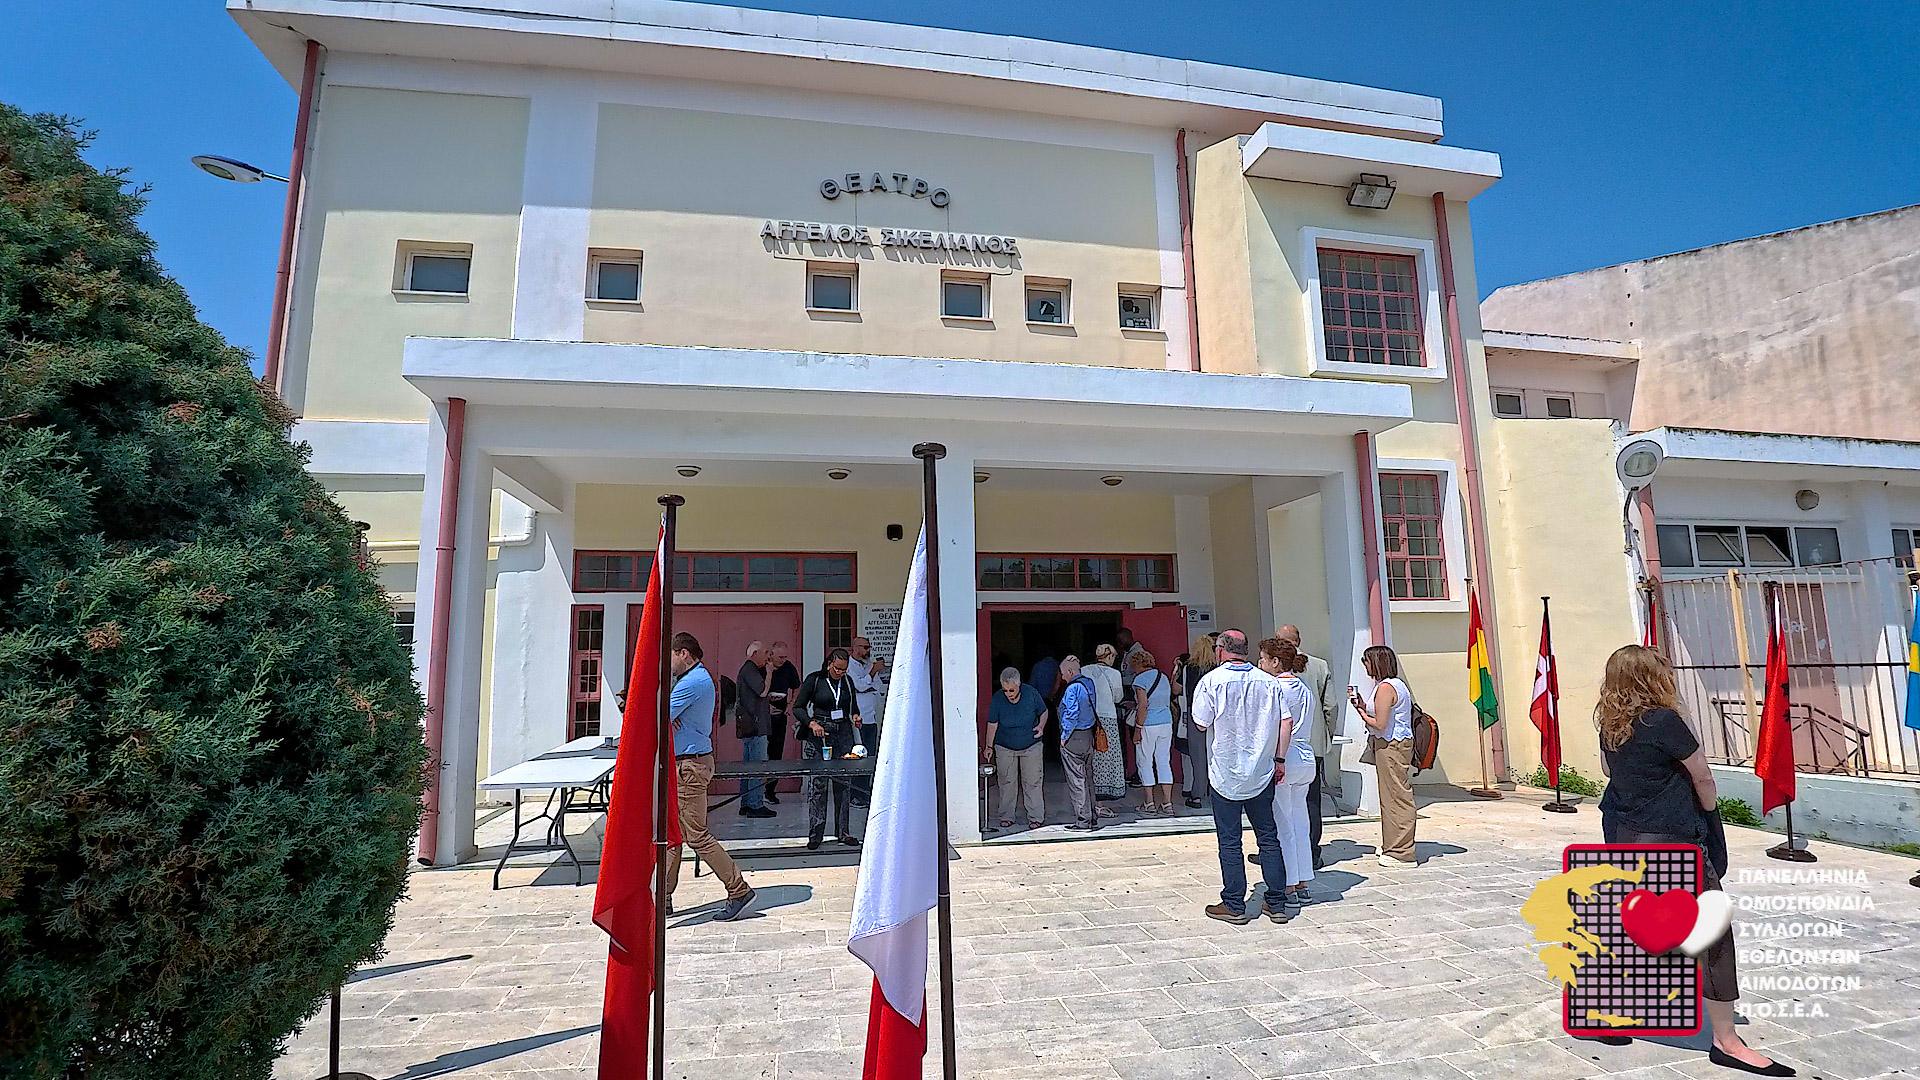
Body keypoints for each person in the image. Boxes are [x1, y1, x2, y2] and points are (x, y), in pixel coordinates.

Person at [1596, 646, 1791, 1076]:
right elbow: (1703, 776)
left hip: (1624, 835)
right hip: (1670, 838)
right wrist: (1710, 813)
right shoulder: (1664, 721)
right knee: (1712, 934)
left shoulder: (1611, 725)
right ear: (1654, 677)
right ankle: (1726, 1040)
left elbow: (1611, 774)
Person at [1189, 630, 1292, 924]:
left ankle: (1234, 904)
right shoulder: (1268, 682)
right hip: (1261, 770)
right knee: (1268, 838)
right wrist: (1280, 759)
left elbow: (1200, 722)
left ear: (1221, 650)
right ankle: (1277, 902)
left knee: (1230, 841)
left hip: (1225, 772)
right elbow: (1286, 721)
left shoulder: (1211, 681)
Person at [663, 632, 756, 920]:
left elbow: (655, 714)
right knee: (672, 834)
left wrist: (665, 713)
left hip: (689, 766)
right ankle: (662, 897)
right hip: (685, 764)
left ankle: (738, 889)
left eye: (671, 656)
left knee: (696, 836)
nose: (668, 663)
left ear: (683, 653)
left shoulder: (692, 682)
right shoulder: (692, 679)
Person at [1259, 637, 1318, 905]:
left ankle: (1289, 883)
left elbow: (1278, 724)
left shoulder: (1274, 687)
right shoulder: (1303, 687)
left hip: (1286, 754)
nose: (1260, 663)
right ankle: (1303, 880)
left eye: (1263, 659)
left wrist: (1277, 758)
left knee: (1283, 823)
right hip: (1305, 755)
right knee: (1300, 821)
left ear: (1275, 661)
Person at [1276, 624, 1340, 869]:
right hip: (1312, 742)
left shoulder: (1275, 667)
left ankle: (1282, 850)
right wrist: (1325, 734)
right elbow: (1331, 706)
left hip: (1282, 745)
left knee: (1282, 801)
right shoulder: (1319, 665)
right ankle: (1311, 851)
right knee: (1311, 800)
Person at [1348, 645, 1418, 868]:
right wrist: (1362, 704)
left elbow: (1380, 723)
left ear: (1377, 663)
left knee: (1396, 797)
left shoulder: (1386, 688)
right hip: (1392, 744)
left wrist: (1360, 711)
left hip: (1391, 745)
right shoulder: (1392, 685)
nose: (1365, 665)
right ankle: (1393, 844)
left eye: (1367, 661)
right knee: (1390, 797)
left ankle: (1402, 852)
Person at [796, 648, 862, 850]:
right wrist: (811, 723)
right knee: (819, 784)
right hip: (821, 733)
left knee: (843, 783)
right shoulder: (815, 680)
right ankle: (816, 834)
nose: (840, 673)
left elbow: (853, 707)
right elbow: (798, 707)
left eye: (844, 669)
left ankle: (843, 832)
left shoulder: (847, 682)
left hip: (843, 733)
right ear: (829, 664)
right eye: (837, 669)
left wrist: (856, 717)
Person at [984, 667, 1048, 830]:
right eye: (1005, 690)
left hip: (1031, 745)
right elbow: (992, 724)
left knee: (1033, 781)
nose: (1008, 694)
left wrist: (1041, 726)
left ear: (1019, 685)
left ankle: (1036, 817)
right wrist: (988, 746)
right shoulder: (998, 699)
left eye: (1011, 690)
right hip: (1005, 746)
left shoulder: (1031, 693)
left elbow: (1044, 711)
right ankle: (1006, 816)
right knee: (1006, 782)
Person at [1056, 656, 1100, 831]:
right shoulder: (1089, 683)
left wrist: (1064, 736)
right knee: (1088, 777)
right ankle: (1092, 816)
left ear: (1069, 671)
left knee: (1076, 779)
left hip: (1074, 737)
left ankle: (1083, 820)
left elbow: (1072, 714)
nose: (1062, 677)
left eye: (1062, 673)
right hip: (1088, 735)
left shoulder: (1072, 688)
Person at [1129, 649, 1176, 814]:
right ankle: (1167, 803)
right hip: (1166, 722)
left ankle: (1149, 803)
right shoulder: (1163, 677)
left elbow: (1143, 705)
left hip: (1148, 724)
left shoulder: (1140, 680)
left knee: (1145, 761)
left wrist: (1138, 729)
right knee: (1163, 761)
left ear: (1137, 664)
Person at [734, 641, 776, 819]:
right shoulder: (750, 670)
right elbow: (762, 691)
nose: (768, 657)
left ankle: (746, 803)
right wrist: (769, 673)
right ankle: (755, 804)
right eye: (765, 653)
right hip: (756, 727)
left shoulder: (747, 670)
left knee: (748, 766)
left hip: (751, 725)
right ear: (754, 654)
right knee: (757, 766)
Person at [1176, 632, 1217, 809]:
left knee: (1198, 757)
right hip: (1216, 715)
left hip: (1195, 714)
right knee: (1215, 755)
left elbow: (1178, 689)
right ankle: (1216, 793)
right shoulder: (1217, 668)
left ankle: (1197, 795)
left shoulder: (1188, 668)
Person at [1083, 644, 1126, 805]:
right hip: (1108, 718)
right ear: (1109, 656)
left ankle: (1091, 797)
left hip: (1088, 717)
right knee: (1107, 756)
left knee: (1091, 756)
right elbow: (1118, 698)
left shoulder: (1084, 670)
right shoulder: (1114, 674)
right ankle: (1102, 799)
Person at [848, 636, 888, 808]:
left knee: (870, 755)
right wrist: (871, 674)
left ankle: (865, 790)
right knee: (859, 755)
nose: (867, 650)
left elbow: (876, 686)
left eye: (869, 647)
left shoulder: (867, 665)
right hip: (858, 718)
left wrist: (871, 675)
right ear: (855, 648)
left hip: (871, 716)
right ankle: (854, 794)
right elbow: (859, 686)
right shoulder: (850, 666)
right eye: (864, 647)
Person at [764, 642, 800, 805]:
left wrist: (791, 704)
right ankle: (755, 791)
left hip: (780, 713)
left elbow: (797, 686)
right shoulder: (763, 666)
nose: (783, 660)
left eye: (785, 657)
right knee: (761, 753)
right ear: (771, 654)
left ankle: (770, 790)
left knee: (776, 753)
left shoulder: (788, 667)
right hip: (763, 714)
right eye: (780, 657)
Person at [1116, 627, 1147, 786]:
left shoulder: (1137, 653)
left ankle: (1142, 773)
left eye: (1121, 641)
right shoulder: (1128, 653)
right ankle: (1138, 771)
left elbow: (1137, 677)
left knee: (1138, 740)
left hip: (1136, 702)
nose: (1120, 645)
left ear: (1128, 638)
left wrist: (1117, 679)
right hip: (1129, 703)